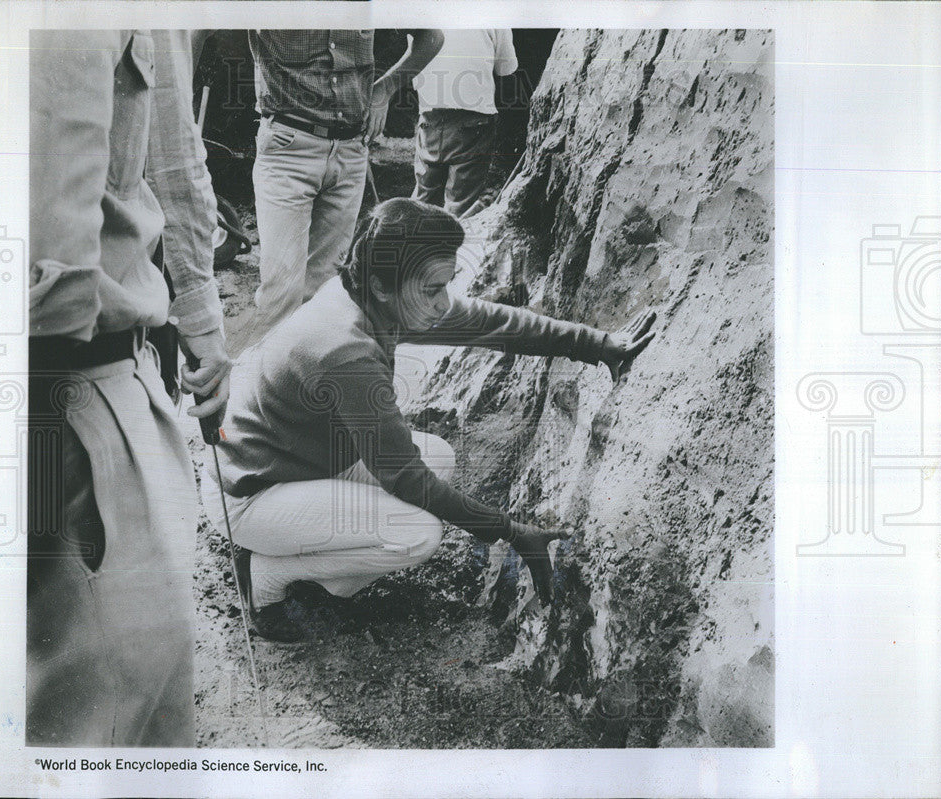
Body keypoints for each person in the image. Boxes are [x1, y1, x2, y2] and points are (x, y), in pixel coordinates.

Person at [204, 198, 655, 643]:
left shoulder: (370, 295)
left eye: (446, 284)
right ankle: (264, 573)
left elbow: (488, 323)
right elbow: (406, 480)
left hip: (300, 462)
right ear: (384, 286)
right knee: (417, 534)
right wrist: (512, 531)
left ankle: (321, 570)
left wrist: (595, 345)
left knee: (436, 458)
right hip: (250, 494)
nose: (444, 303)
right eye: (432, 289)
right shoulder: (345, 349)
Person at [27, 29, 231, 746]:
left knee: (124, 706)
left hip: (93, 382)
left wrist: (202, 323)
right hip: (40, 392)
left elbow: (172, 151)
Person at [247, 29, 444, 333]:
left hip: (351, 152)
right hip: (288, 149)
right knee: (281, 292)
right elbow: (199, 25)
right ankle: (266, 378)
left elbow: (431, 36)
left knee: (325, 289)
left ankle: (309, 376)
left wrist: (384, 90)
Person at [411, 29, 518, 217]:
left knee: (424, 197)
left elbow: (414, 62)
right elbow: (506, 69)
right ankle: (451, 241)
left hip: (430, 113)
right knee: (461, 204)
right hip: (473, 119)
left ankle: (414, 241)